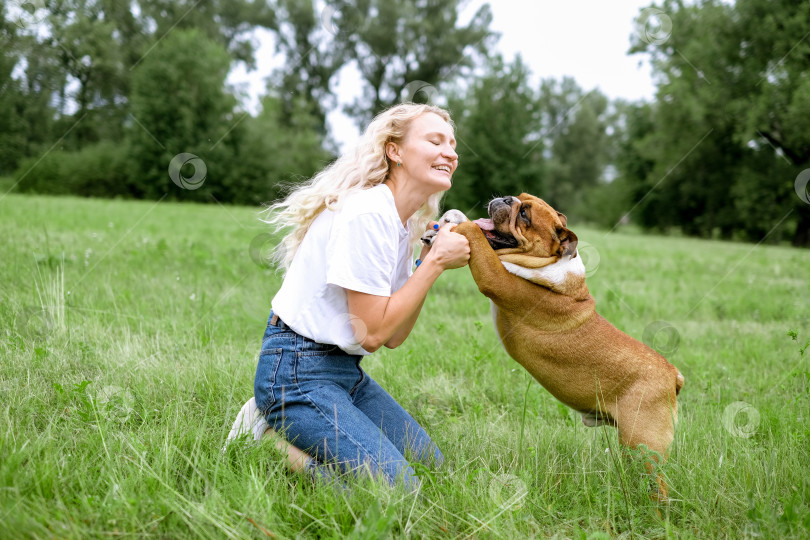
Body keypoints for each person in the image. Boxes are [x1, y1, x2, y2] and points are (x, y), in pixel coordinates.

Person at [224, 103, 470, 491]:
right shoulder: (367, 213)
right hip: (296, 372)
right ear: (395, 150)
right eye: (435, 140)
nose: (451, 153)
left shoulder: (403, 225)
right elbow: (371, 333)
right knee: (397, 490)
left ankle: (298, 426)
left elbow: (392, 336)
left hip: (344, 373)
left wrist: (425, 260)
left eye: (453, 145)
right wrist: (435, 263)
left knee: (434, 469)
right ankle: (266, 435)